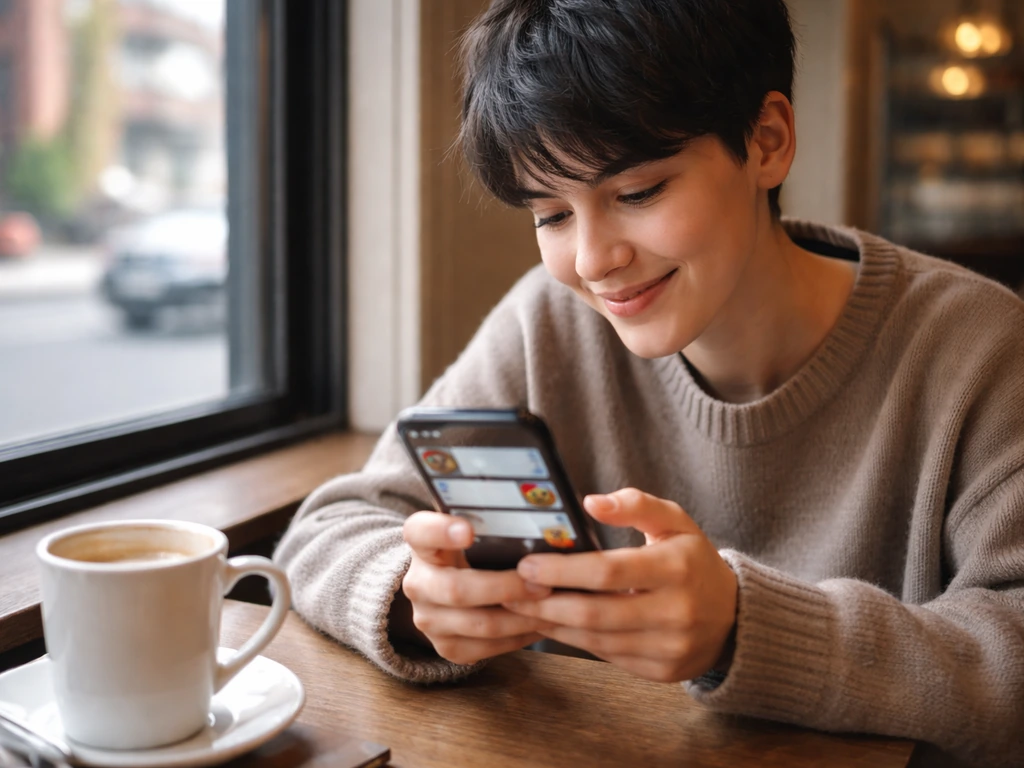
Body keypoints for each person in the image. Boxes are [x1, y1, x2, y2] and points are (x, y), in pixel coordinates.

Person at [274, 1, 1024, 765]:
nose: (594, 261)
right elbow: (327, 530)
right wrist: (418, 596)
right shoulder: (551, 322)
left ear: (767, 142)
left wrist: (745, 628)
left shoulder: (978, 348)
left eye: (636, 194)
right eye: (550, 214)